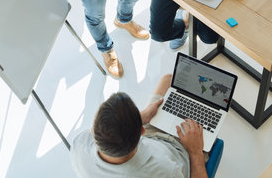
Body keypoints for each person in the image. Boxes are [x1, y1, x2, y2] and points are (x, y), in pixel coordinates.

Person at [71, 74, 208, 178]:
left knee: (168, 79)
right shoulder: (164, 171)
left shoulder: (80, 144)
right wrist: (195, 152)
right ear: (142, 131)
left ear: (93, 130)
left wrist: (142, 116)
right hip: (180, 151)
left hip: (149, 141)